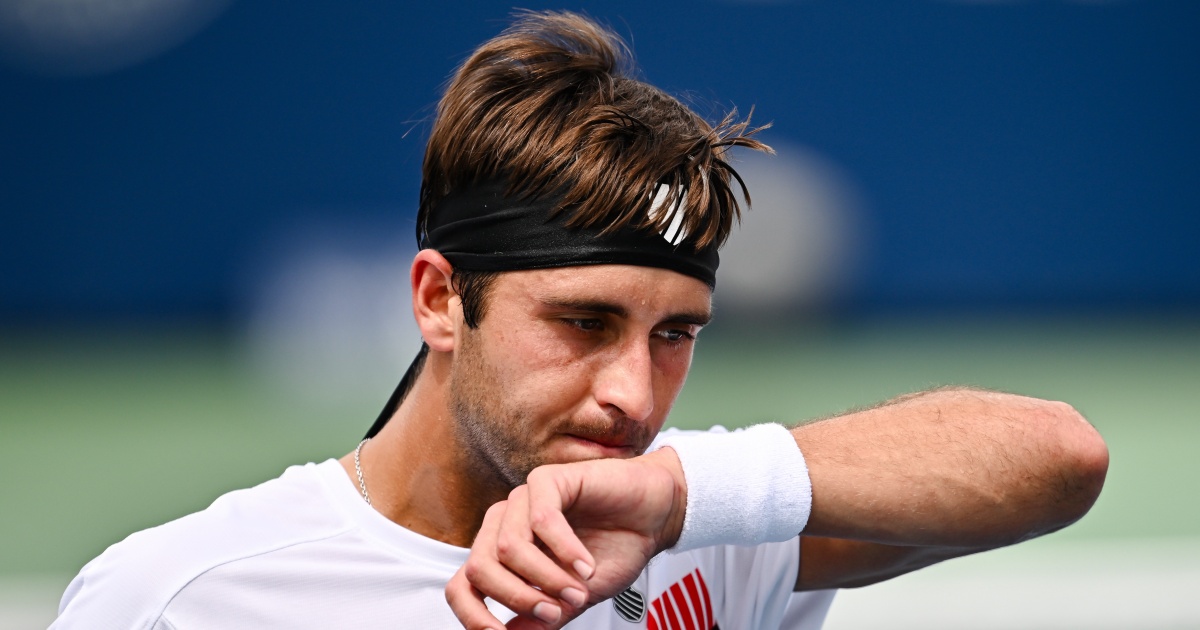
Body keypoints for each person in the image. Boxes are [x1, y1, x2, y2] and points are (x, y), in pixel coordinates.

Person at [53, 11, 1109, 629]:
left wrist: (679, 497)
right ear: (437, 300)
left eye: (675, 333)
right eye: (583, 321)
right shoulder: (179, 598)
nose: (633, 394)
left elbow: (1060, 456)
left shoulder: (695, 530)